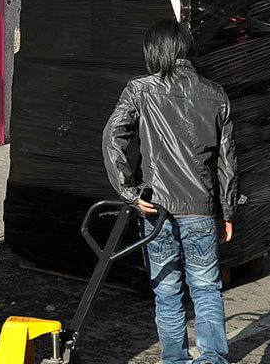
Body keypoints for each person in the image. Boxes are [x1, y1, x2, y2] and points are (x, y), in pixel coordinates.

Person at [102, 19, 238, 364]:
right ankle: (212, 359)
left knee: (167, 291)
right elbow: (227, 161)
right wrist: (228, 211)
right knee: (206, 288)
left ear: (154, 52)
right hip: (201, 207)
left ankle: (175, 360)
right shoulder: (216, 94)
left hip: (157, 207)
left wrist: (129, 192)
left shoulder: (140, 89)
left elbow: (112, 138)